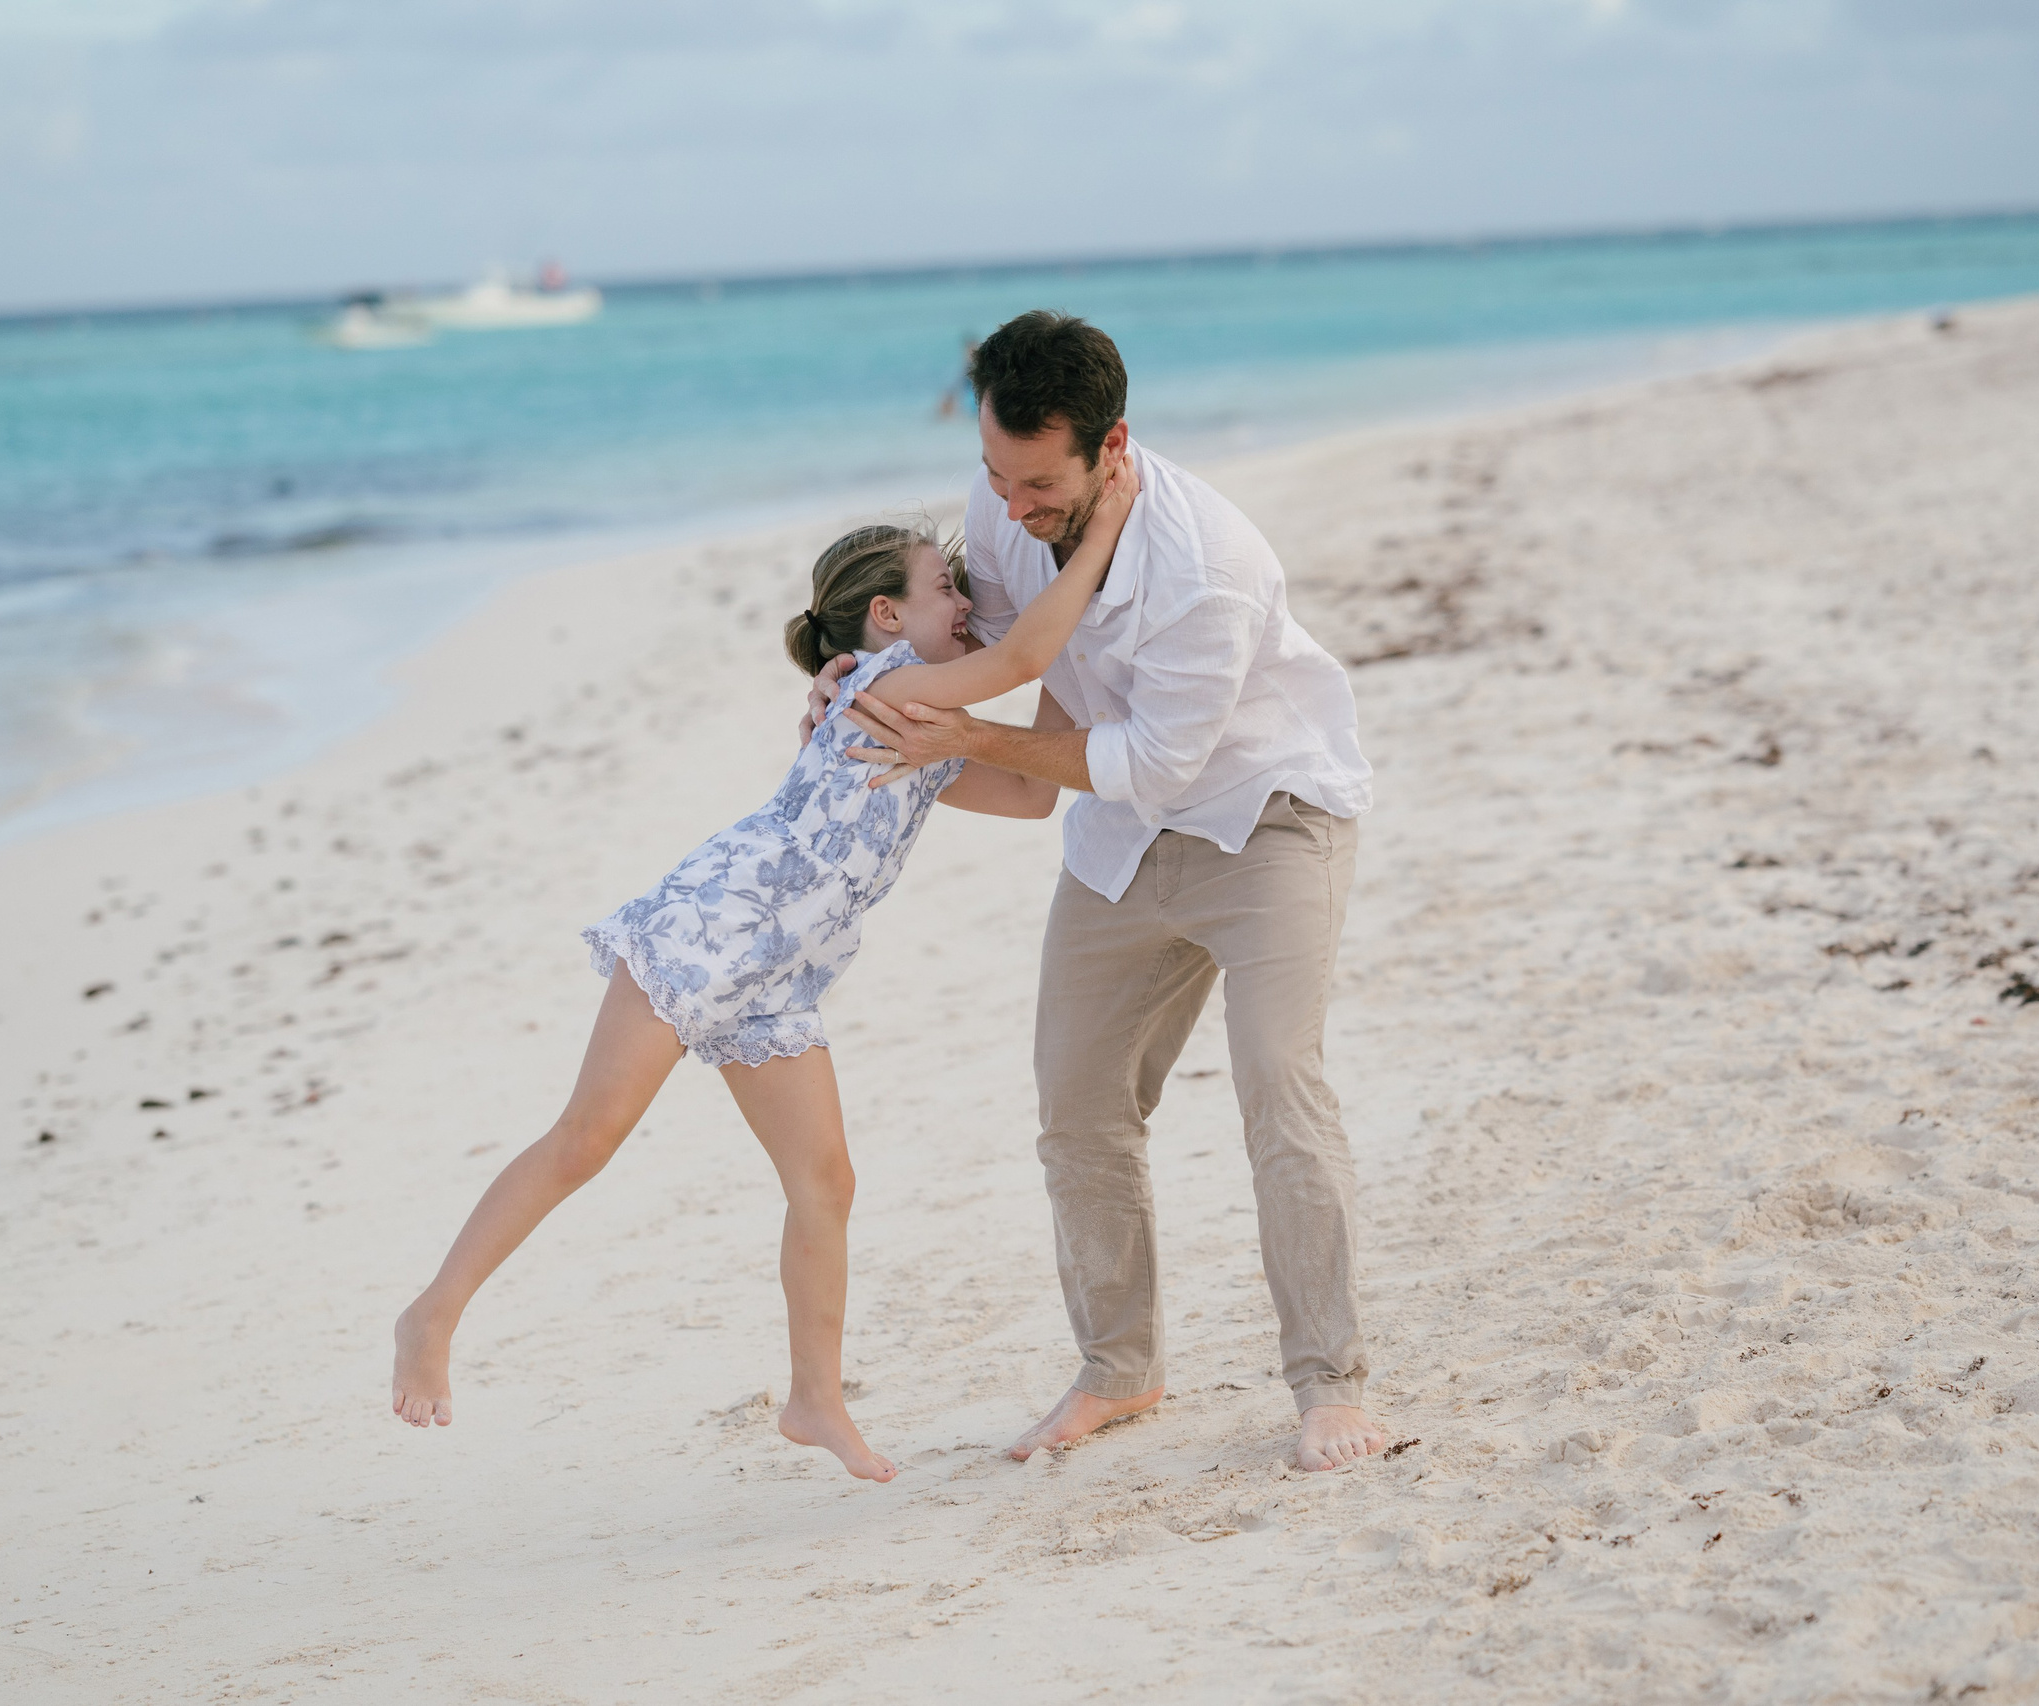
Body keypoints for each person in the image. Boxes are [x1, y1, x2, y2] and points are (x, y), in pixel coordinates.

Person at [389, 464, 1137, 1482]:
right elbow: (1022, 650)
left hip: (782, 974)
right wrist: (1082, 553)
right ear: (886, 615)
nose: (963, 603)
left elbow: (1026, 792)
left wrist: (1064, 656)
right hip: (713, 926)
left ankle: (811, 1397)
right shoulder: (884, 686)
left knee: (824, 1182)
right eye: (944, 588)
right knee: (586, 1138)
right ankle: (432, 1311)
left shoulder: (920, 728)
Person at [812, 310, 1385, 1472]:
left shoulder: (1209, 570)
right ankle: (1121, 1368)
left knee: (1280, 1083)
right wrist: (856, 684)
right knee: (1077, 1104)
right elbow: (988, 648)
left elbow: (1150, 762)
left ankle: (1329, 1381)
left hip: (1261, 817)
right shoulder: (1001, 500)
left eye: (1036, 486)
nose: (1007, 510)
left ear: (1111, 446)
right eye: (994, 476)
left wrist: (966, 728)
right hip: (1122, 841)